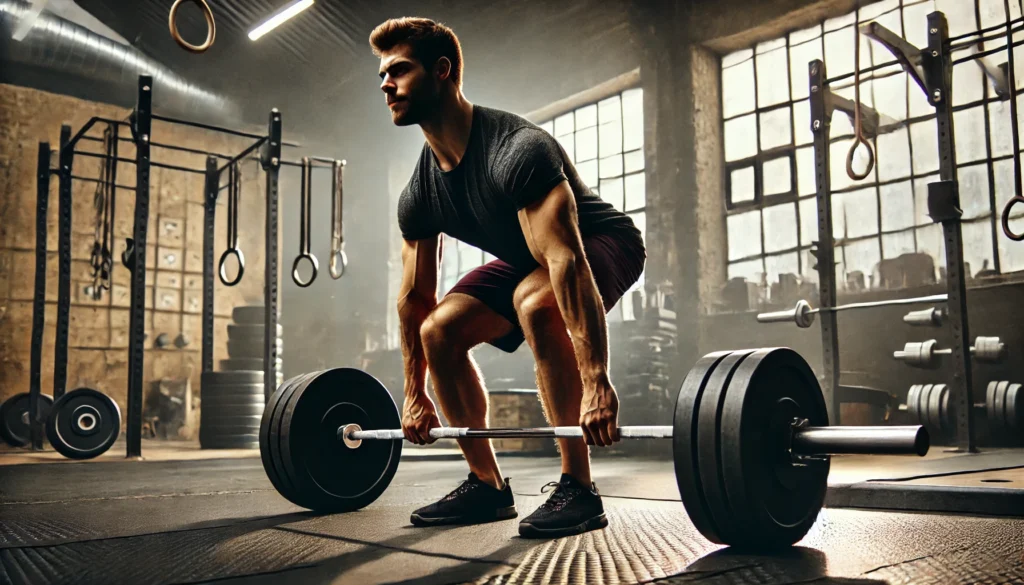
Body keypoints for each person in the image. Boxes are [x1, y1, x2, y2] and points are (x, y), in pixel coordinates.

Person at [369, 17, 646, 538]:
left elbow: (565, 261)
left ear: (442, 71)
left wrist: (596, 383)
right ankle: (486, 484)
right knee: (438, 333)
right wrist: (413, 390)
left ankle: (578, 487)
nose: (386, 84)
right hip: (529, 257)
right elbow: (414, 298)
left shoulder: (517, 149)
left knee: (536, 302)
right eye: (382, 75)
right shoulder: (420, 192)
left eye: (399, 71)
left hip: (602, 243)